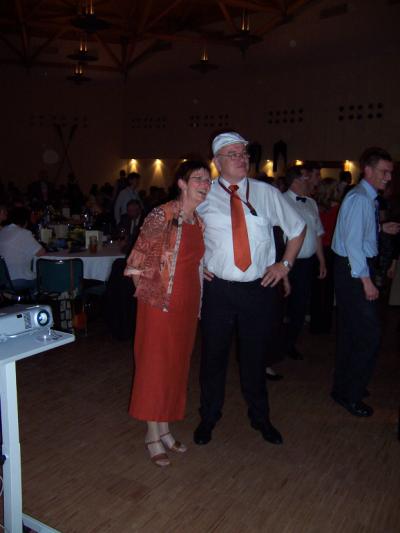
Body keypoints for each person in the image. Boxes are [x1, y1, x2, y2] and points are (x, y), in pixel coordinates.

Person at [194, 132, 306, 446]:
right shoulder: (202, 195)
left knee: (254, 359)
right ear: (217, 162)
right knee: (213, 357)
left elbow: (298, 229)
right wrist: (196, 264)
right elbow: (187, 238)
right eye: (232, 154)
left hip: (258, 290)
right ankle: (209, 416)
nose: (241, 159)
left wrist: (284, 265)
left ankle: (260, 418)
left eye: (243, 153)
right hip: (217, 290)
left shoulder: (266, 193)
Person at [124, 160, 211, 467]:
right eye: (198, 179)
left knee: (176, 366)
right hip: (159, 306)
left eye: (208, 180)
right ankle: (152, 433)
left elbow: (191, 261)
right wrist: (151, 300)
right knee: (155, 367)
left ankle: (164, 428)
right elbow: (136, 263)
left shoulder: (198, 220)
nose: (205, 185)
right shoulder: (162, 215)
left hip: (188, 304)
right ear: (182, 183)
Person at [331, 147, 400, 417]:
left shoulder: (364, 197)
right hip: (354, 270)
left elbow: (354, 231)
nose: (388, 177)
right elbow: (353, 244)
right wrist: (366, 281)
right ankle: (351, 393)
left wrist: (380, 228)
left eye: (390, 173)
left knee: (352, 332)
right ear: (368, 170)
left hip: (350, 268)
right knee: (368, 335)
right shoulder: (361, 198)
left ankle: (344, 387)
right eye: (384, 172)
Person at [283, 166, 326, 359]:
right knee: (282, 306)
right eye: (307, 177)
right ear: (296, 180)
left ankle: (290, 343)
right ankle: (277, 344)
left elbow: (317, 233)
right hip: (286, 263)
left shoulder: (311, 203)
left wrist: (321, 260)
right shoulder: (281, 200)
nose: (311, 181)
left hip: (307, 263)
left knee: (300, 306)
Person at [310, 177, 341, 334]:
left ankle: (316, 322)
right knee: (328, 288)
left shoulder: (314, 206)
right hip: (330, 251)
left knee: (316, 288)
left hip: (316, 249)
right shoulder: (339, 209)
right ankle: (325, 323)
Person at [0, 206, 46, 291]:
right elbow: (41, 252)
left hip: (3, 280)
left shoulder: (3, 231)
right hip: (18, 280)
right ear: (26, 220)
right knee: (46, 276)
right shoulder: (24, 233)